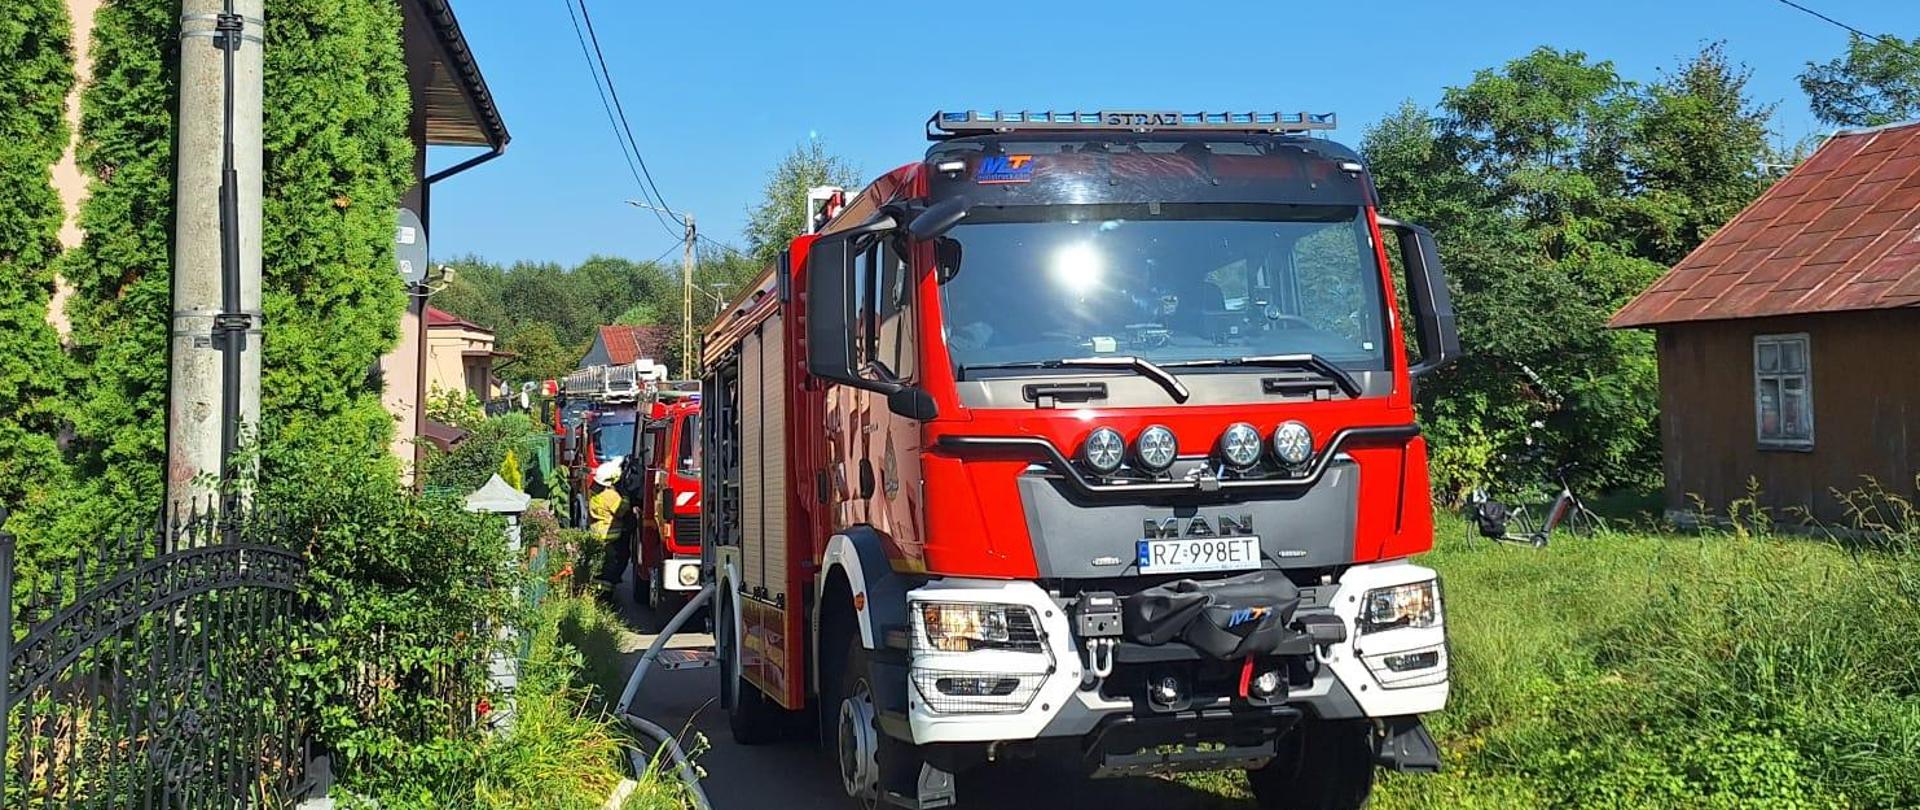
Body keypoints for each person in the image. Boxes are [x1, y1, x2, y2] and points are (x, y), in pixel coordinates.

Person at [589, 458, 633, 592]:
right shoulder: (610, 495)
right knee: (613, 565)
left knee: (602, 566)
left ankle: (597, 590)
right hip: (611, 537)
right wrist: (626, 497)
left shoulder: (595, 491)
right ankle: (605, 593)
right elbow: (621, 511)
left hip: (598, 534)